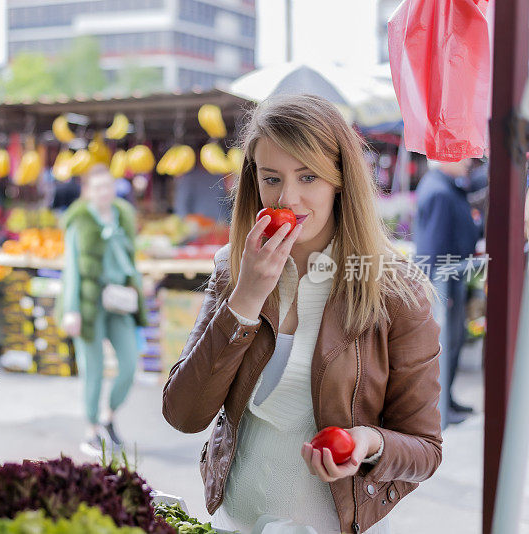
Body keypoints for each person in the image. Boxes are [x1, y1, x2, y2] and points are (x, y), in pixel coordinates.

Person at [162, 95, 442, 534]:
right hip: (236, 521)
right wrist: (247, 297)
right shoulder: (232, 269)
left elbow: (425, 450)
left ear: (340, 181)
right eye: (272, 178)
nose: (287, 199)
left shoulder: (394, 289)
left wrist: (366, 442)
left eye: (308, 177)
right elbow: (183, 414)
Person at [59, 164, 147, 456]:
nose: (103, 192)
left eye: (108, 186)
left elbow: (130, 258)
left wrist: (138, 283)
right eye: (97, 188)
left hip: (119, 299)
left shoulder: (122, 216)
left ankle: (109, 416)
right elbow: (71, 268)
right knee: (93, 368)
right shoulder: (80, 222)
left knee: (129, 364)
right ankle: (91, 430)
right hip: (89, 302)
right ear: (87, 191)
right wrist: (71, 309)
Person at [415, 158, 480, 425]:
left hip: (452, 276)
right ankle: (441, 409)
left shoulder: (447, 187)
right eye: (461, 157)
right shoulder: (440, 190)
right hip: (444, 280)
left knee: (454, 342)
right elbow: (433, 246)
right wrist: (437, 290)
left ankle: (447, 400)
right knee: (447, 343)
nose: (468, 162)